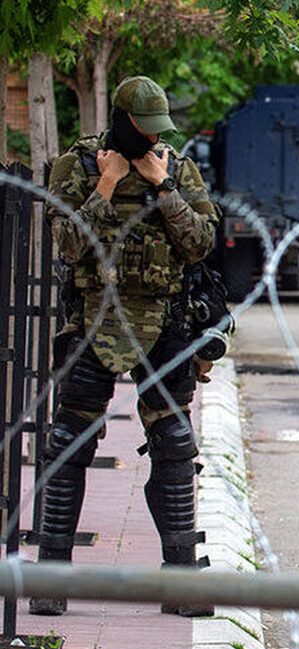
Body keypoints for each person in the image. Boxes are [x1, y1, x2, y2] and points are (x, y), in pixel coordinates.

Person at [31, 76, 221, 617]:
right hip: (95, 319)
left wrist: (164, 190)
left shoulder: (176, 167)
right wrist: (107, 187)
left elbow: (201, 244)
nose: (154, 139)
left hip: (163, 321)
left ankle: (182, 580)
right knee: (69, 439)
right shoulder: (79, 166)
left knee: (174, 442)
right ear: (123, 121)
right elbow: (68, 247)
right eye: (146, 129)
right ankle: (51, 574)